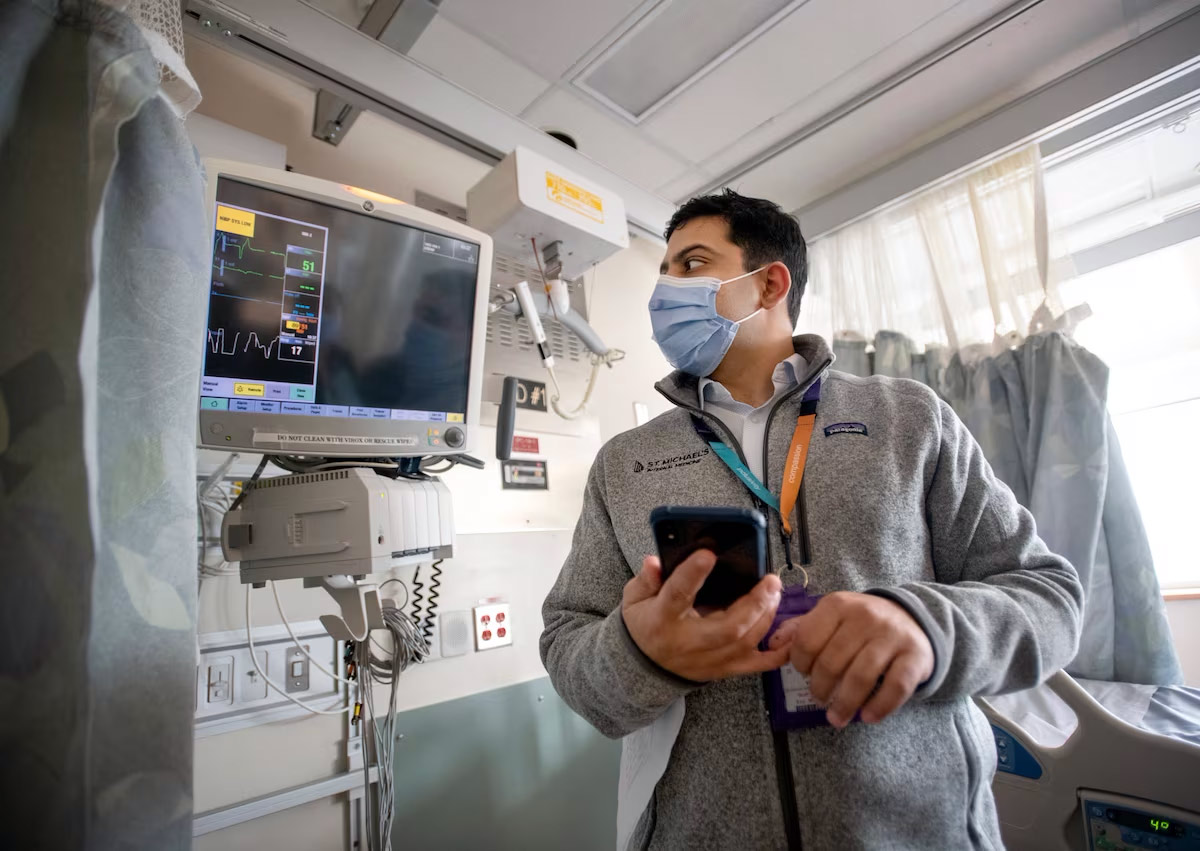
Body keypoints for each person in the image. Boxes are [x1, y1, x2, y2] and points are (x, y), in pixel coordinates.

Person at [540, 190, 1083, 850]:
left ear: (769, 282)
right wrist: (638, 651)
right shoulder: (624, 463)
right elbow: (568, 643)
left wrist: (927, 627)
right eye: (663, 273)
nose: (664, 291)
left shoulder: (909, 418)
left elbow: (1048, 597)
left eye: (691, 264)